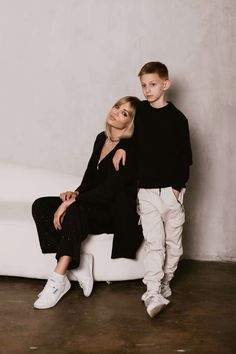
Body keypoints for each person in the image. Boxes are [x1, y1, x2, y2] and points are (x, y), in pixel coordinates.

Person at [32, 96, 143, 310]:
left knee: (74, 210)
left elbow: (110, 191)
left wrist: (73, 203)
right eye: (117, 106)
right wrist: (73, 194)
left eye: (125, 113)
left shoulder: (129, 150)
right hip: (92, 205)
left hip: (113, 212)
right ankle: (79, 267)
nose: (117, 111)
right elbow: (89, 179)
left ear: (131, 123)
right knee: (41, 206)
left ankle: (57, 280)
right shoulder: (101, 139)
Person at [113, 62, 192, 318]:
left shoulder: (178, 119)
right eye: (144, 85)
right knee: (154, 244)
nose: (147, 90)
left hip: (171, 193)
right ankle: (152, 290)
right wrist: (123, 147)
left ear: (165, 84)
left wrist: (177, 189)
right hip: (146, 193)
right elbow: (131, 140)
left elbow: (185, 157)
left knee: (174, 247)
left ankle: (165, 281)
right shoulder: (141, 113)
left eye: (153, 84)